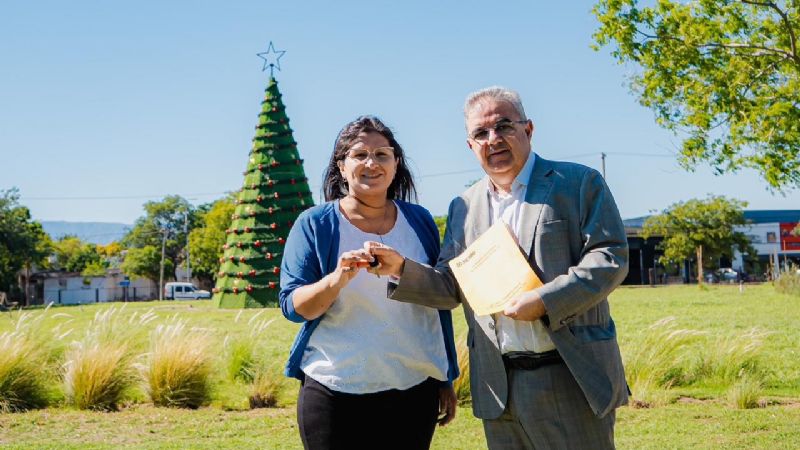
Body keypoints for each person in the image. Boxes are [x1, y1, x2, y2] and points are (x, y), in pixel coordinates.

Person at [369, 87, 629, 449]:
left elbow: (609, 257)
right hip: (498, 383)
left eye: (504, 126)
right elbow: (451, 285)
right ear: (470, 145)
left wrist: (544, 300)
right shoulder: (464, 205)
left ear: (529, 129)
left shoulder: (579, 183)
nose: (493, 139)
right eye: (481, 133)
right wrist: (401, 268)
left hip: (570, 374)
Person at [279, 116, 459, 450]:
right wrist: (336, 279)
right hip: (334, 392)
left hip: (413, 390)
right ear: (341, 167)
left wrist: (444, 377)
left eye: (381, 155)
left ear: (395, 164)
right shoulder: (315, 224)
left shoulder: (419, 221)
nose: (371, 163)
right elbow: (293, 308)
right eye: (359, 155)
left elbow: (437, 299)